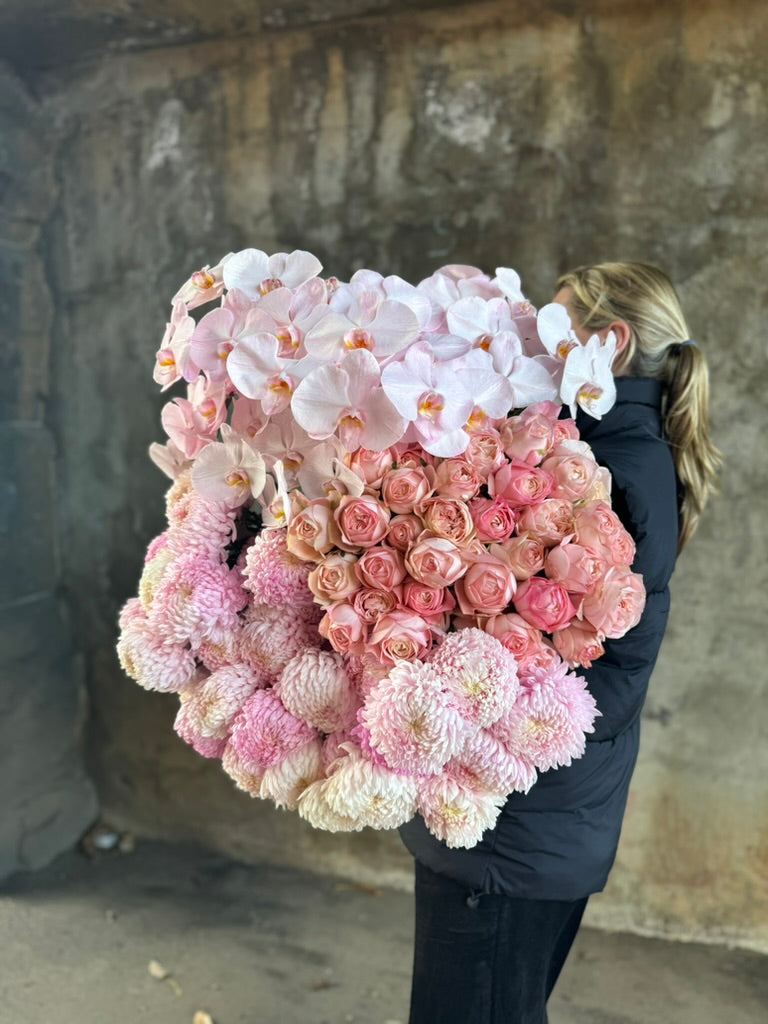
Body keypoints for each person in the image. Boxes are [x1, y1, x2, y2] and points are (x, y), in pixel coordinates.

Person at [399, 261, 722, 1024]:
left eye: (554, 327)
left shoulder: (603, 469)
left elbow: (575, 668)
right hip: (541, 817)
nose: (531, 343)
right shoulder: (610, 445)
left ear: (607, 344)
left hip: (517, 823)